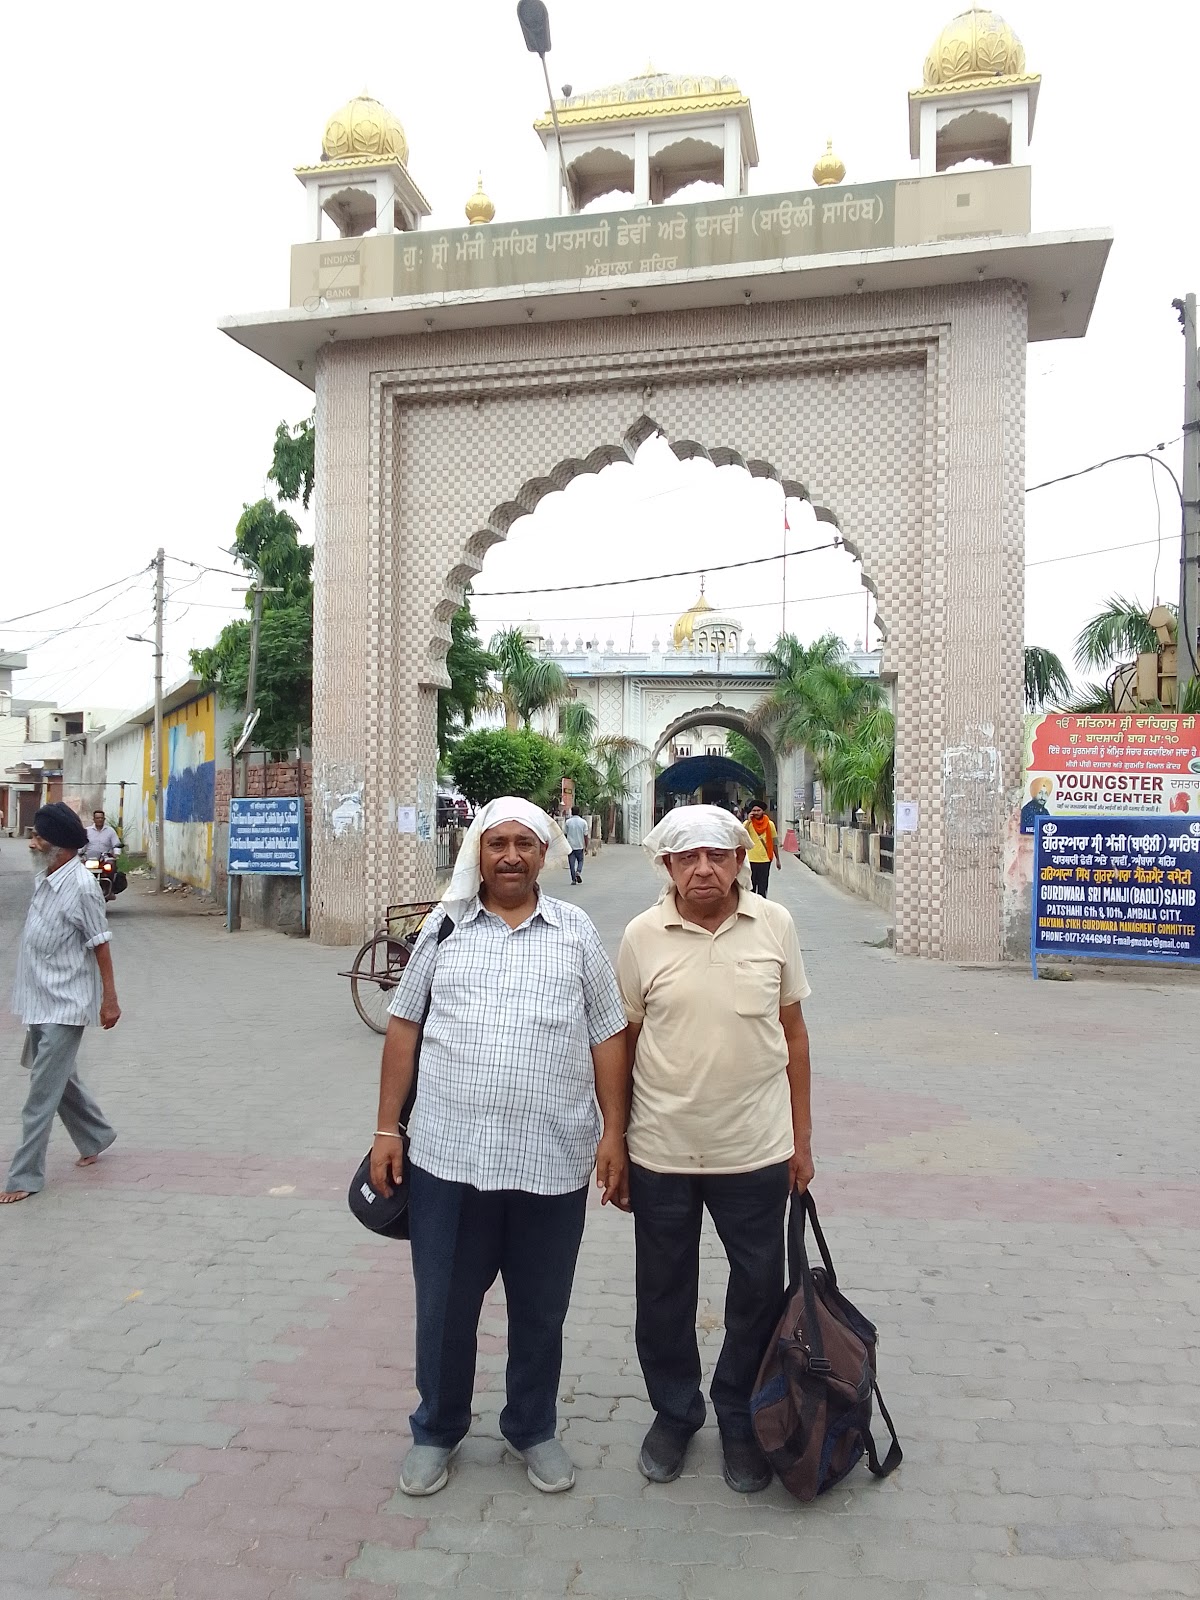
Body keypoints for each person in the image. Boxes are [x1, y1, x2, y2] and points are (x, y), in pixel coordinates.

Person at [372, 797, 629, 1498]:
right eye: (497, 844)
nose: (510, 855)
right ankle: (437, 1427)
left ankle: (532, 1427)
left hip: (551, 1162)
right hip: (449, 1162)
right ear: (477, 854)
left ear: (545, 853)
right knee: (446, 1306)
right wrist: (387, 1129)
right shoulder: (445, 929)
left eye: (524, 843)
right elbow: (403, 1027)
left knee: (542, 1308)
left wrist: (615, 1132)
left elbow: (609, 1033)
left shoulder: (575, 932)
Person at [617, 804, 814, 1493]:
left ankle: (738, 1411)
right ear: (666, 866)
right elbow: (624, 1043)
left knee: (758, 1290)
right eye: (687, 857)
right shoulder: (642, 936)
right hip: (663, 1150)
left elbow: (794, 1035)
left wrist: (803, 1139)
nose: (704, 869)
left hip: (755, 1148)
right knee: (664, 1292)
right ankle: (674, 1413)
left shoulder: (776, 926)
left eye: (718, 855)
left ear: (741, 859)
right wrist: (614, 1138)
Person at [3, 803, 121, 1204]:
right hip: (39, 997)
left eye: (39, 838)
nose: (32, 843)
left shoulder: (83, 887)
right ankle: (96, 1135)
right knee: (56, 1077)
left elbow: (100, 944)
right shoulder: (46, 875)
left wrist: (110, 1000)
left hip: (66, 1004)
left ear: (64, 847)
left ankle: (25, 1176)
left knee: (40, 1093)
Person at [745, 802, 782, 897]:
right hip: (750, 860)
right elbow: (741, 835)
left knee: (763, 886)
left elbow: (774, 842)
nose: (756, 813)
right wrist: (748, 821)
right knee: (750, 887)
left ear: (763, 811)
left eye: (758, 810)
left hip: (765, 860)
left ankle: (761, 906)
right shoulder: (747, 824)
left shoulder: (770, 824)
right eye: (754, 810)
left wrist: (777, 859)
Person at [562, 807, 589, 884]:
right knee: (580, 861)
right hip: (580, 845)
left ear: (572, 812)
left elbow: (565, 834)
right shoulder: (583, 822)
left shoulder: (568, 822)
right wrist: (586, 846)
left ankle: (573, 879)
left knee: (571, 863)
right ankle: (578, 871)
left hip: (570, 846)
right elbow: (586, 835)